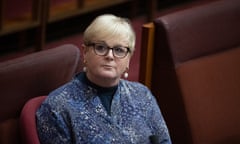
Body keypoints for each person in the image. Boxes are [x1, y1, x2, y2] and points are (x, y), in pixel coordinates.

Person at [36, 14, 172, 144]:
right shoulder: (57, 107)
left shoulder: (142, 95)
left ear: (129, 59)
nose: (110, 56)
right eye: (101, 47)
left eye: (119, 50)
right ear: (85, 52)